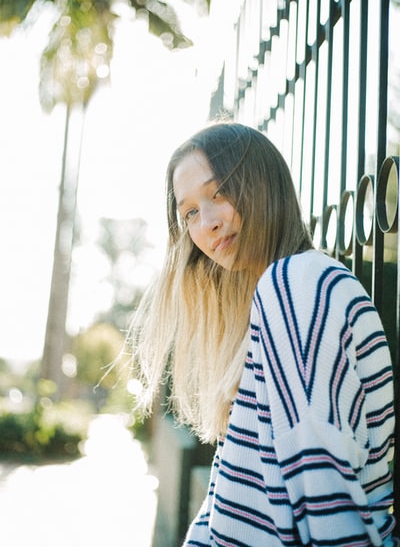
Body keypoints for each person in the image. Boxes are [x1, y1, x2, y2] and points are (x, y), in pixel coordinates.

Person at [129, 122, 395, 545]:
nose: (208, 223)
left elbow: (322, 485)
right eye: (190, 213)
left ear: (262, 181)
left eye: (220, 191)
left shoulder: (297, 283)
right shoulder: (279, 296)